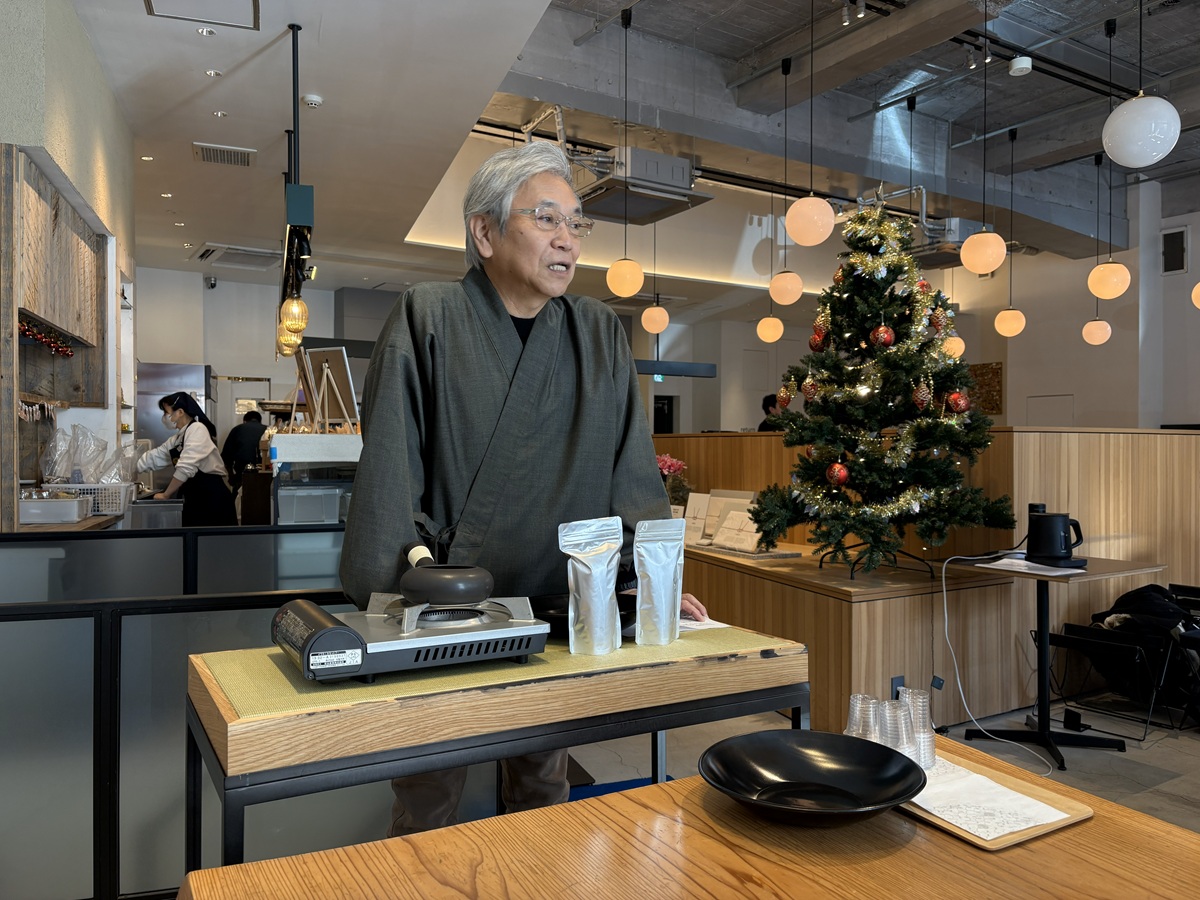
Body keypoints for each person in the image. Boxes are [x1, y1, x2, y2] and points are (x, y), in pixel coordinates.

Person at [339, 140, 707, 837]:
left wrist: (650, 577)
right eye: (546, 219)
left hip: (557, 609)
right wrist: (398, 584)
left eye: (575, 222)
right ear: (484, 232)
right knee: (428, 803)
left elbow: (631, 470)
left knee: (544, 794)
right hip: (444, 614)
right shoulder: (427, 316)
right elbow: (389, 466)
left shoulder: (598, 333)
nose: (568, 239)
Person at [137, 391, 237, 526]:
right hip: (195, 496)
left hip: (211, 497)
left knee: (209, 538)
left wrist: (166, 494)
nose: (165, 417)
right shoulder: (179, 437)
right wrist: (130, 467)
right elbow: (156, 457)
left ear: (180, 412)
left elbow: (185, 467)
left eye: (167, 413)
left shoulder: (197, 429)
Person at [221, 410, 267, 499]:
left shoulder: (236, 429)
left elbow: (226, 456)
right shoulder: (267, 430)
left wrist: (231, 475)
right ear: (260, 421)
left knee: (240, 502)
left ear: (244, 421)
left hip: (242, 474)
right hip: (264, 474)